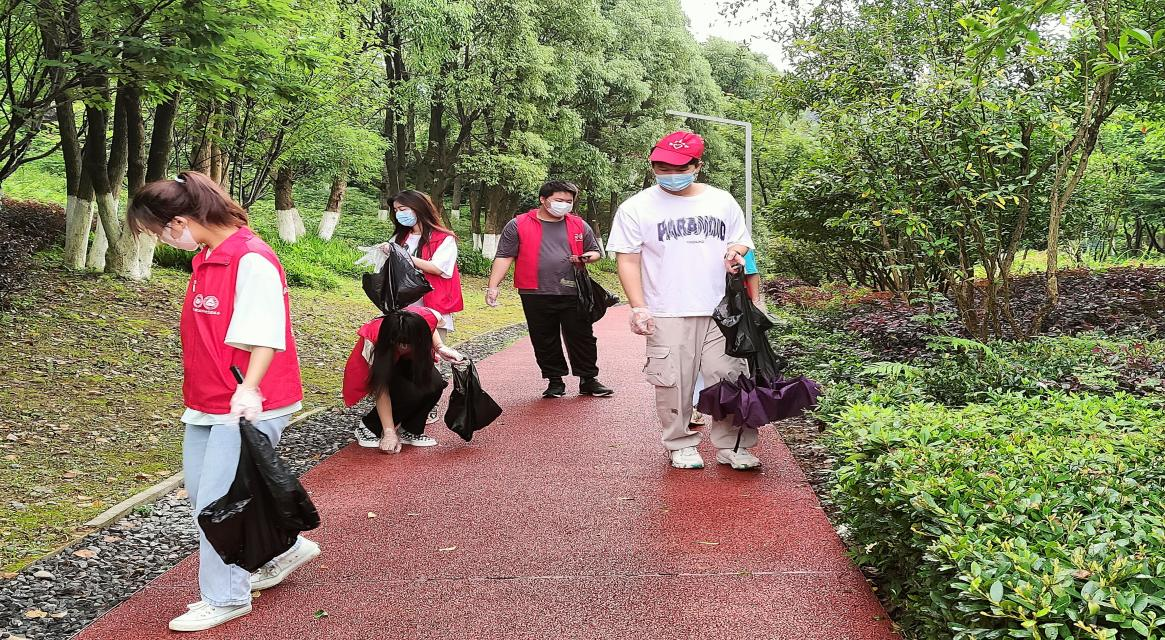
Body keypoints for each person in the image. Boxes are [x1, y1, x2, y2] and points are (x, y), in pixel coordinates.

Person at [126, 171, 320, 632]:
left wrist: (249, 390)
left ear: (179, 221)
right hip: (208, 400)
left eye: (158, 231)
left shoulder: (250, 259)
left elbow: (265, 337)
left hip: (248, 399)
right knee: (204, 495)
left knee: (216, 500)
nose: (161, 240)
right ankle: (286, 548)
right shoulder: (210, 257)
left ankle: (226, 596)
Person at [606, 131, 760, 471]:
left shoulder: (722, 201)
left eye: (679, 167)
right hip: (667, 310)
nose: (670, 174)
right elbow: (628, 259)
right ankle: (680, 443)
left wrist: (736, 251)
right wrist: (639, 306)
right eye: (661, 167)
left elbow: (741, 241)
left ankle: (734, 445)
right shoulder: (636, 207)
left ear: (697, 166)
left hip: (723, 310)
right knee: (672, 380)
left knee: (729, 375)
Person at [485, 180, 614, 399]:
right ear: (543, 200)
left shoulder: (579, 225)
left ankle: (588, 379)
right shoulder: (518, 224)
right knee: (544, 337)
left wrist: (586, 258)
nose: (564, 205)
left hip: (574, 290)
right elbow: (505, 256)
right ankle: (555, 381)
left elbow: (594, 252)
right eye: (559, 200)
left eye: (569, 201)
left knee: (581, 336)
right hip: (534, 291)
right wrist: (492, 286)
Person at [377, 190, 463, 430]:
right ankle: (401, 404)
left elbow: (438, 268)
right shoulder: (400, 237)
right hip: (403, 309)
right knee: (401, 358)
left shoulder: (444, 238)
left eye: (403, 209)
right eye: (396, 211)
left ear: (419, 208)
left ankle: (426, 404)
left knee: (431, 357)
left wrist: (401, 254)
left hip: (433, 307)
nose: (400, 214)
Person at [342, 307, 465, 451]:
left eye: (407, 343)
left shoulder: (427, 317)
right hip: (383, 358)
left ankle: (410, 429)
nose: (403, 347)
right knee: (407, 393)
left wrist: (440, 347)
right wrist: (389, 432)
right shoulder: (373, 340)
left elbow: (431, 327)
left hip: (409, 359)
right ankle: (369, 426)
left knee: (434, 384)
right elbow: (382, 390)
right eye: (400, 343)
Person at [690, 248, 764, 425]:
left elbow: (752, 271)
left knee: (722, 362)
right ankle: (691, 406)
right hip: (690, 306)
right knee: (690, 362)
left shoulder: (736, 241)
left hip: (730, 311)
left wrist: (756, 305)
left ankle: (707, 408)